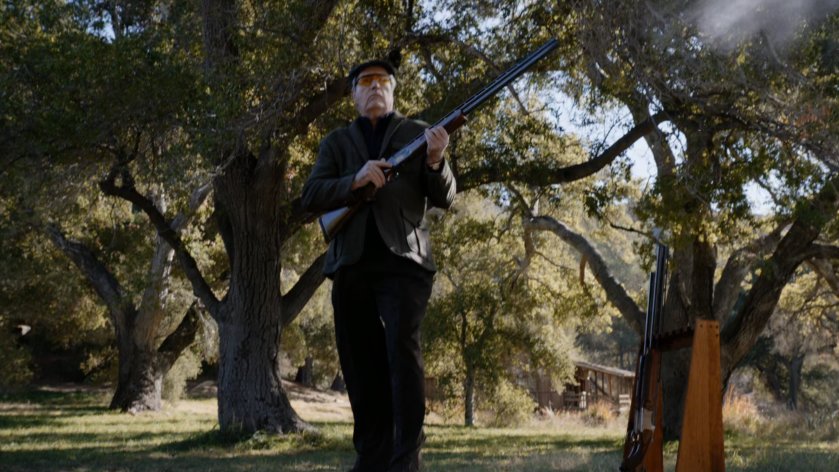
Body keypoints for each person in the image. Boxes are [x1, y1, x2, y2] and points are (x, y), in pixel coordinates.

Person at [301, 56, 456, 472]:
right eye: (365, 81)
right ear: (353, 93)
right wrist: (356, 179)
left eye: (382, 81)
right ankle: (372, 454)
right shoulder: (336, 143)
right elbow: (312, 195)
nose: (374, 87)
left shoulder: (420, 134)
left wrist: (436, 160)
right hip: (350, 262)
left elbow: (445, 196)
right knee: (359, 360)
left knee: (402, 353)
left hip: (404, 260)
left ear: (393, 90)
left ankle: (406, 458)